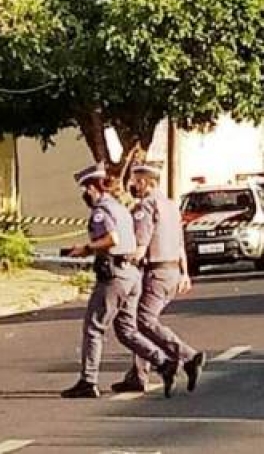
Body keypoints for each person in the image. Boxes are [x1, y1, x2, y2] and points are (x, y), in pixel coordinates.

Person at [60, 163, 180, 399]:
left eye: (86, 189)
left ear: (94, 187)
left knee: (94, 327)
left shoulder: (101, 211)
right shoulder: (121, 209)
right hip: (132, 275)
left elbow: (111, 239)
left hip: (115, 275)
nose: (85, 195)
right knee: (126, 329)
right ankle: (163, 362)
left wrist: (85, 249)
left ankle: (88, 380)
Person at [111, 162, 206, 394]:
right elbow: (180, 241)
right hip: (172, 270)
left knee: (142, 321)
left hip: (155, 271)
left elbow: (141, 246)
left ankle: (187, 356)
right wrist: (185, 272)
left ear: (146, 182)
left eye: (136, 181)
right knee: (138, 321)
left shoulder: (146, 206)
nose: (133, 186)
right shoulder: (172, 206)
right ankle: (137, 375)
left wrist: (118, 260)